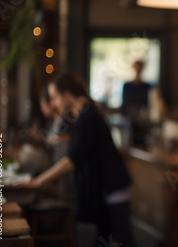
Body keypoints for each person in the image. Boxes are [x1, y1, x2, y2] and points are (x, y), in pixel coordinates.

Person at [28, 72, 135, 247]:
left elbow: (72, 160)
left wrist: (38, 182)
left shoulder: (87, 117)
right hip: (103, 188)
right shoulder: (81, 115)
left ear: (68, 95)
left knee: (123, 238)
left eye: (55, 97)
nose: (53, 103)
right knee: (104, 237)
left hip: (113, 186)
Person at [122, 59, 151, 145]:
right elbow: (124, 103)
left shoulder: (147, 87)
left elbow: (149, 104)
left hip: (143, 119)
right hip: (130, 119)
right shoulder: (127, 86)